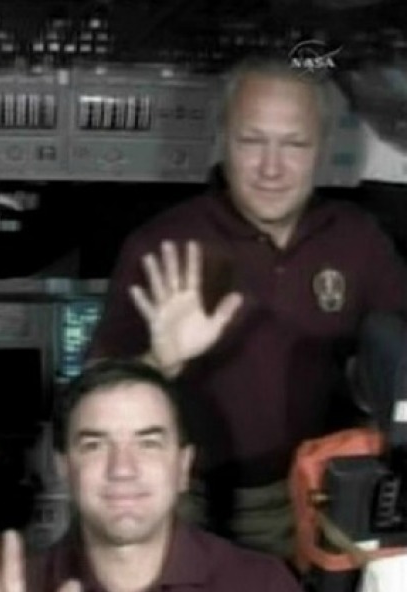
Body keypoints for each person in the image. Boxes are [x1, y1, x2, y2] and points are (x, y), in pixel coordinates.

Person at [87, 57, 407, 557]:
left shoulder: (358, 240)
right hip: (183, 497)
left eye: (294, 144)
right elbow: (88, 400)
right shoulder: (163, 243)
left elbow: (397, 355)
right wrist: (157, 363)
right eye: (251, 141)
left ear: (321, 147)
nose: (271, 168)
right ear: (223, 140)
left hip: (313, 492)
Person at [0, 360, 335, 592]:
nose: (122, 469)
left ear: (182, 467)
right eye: (95, 445)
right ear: (64, 469)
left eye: (148, 443)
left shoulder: (262, 590)